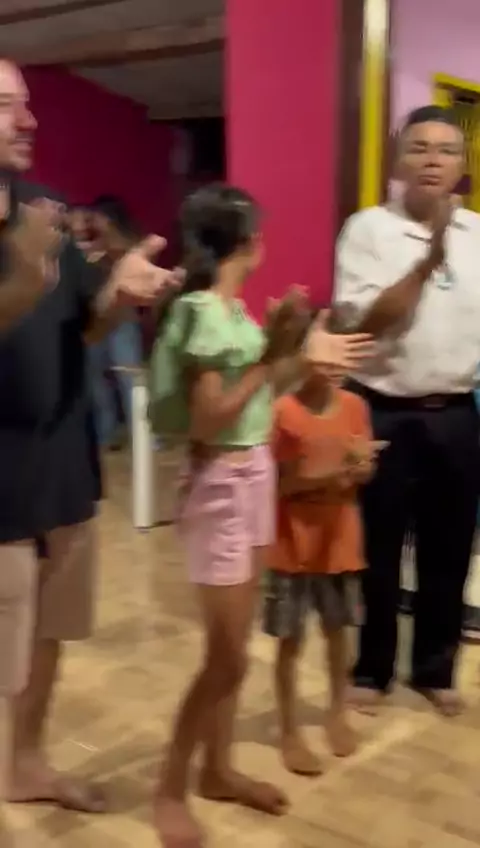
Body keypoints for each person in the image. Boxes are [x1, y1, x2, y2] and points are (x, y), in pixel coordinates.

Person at [148, 184, 375, 847]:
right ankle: (170, 788)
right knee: (224, 659)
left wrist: (292, 354)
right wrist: (277, 354)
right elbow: (211, 420)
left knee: (236, 655)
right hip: (223, 481)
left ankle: (217, 770)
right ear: (249, 240)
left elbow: (253, 397)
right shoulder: (202, 311)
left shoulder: (230, 310)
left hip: (247, 477)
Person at [0, 58, 180, 812]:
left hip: (64, 468)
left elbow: (85, 326)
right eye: (7, 106)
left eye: (26, 104)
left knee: (49, 634)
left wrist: (120, 295)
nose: (29, 120)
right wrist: (22, 282)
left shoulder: (42, 207)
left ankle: (25, 765)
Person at [334, 105, 480, 717]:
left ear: (462, 165)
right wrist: (431, 254)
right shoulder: (368, 229)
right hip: (383, 410)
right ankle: (371, 671)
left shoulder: (478, 233)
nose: (432, 160)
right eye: (419, 148)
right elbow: (368, 320)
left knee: (450, 547)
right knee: (378, 548)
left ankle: (435, 670)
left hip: (457, 413)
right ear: (398, 161)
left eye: (446, 150)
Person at [264, 330, 380, 775]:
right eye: (323, 362)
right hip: (292, 539)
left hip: (338, 537)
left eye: (339, 363)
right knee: (290, 639)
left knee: (337, 630)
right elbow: (282, 485)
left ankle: (336, 711)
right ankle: (288, 729)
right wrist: (334, 475)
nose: (332, 371)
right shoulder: (284, 411)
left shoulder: (355, 406)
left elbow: (363, 470)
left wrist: (362, 468)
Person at [87, 195, 143, 448]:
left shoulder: (128, 242)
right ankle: (105, 433)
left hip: (123, 320)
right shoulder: (92, 244)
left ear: (108, 218)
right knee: (97, 380)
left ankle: (144, 436)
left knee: (128, 379)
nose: (91, 222)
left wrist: (100, 253)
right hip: (97, 318)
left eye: (96, 217)